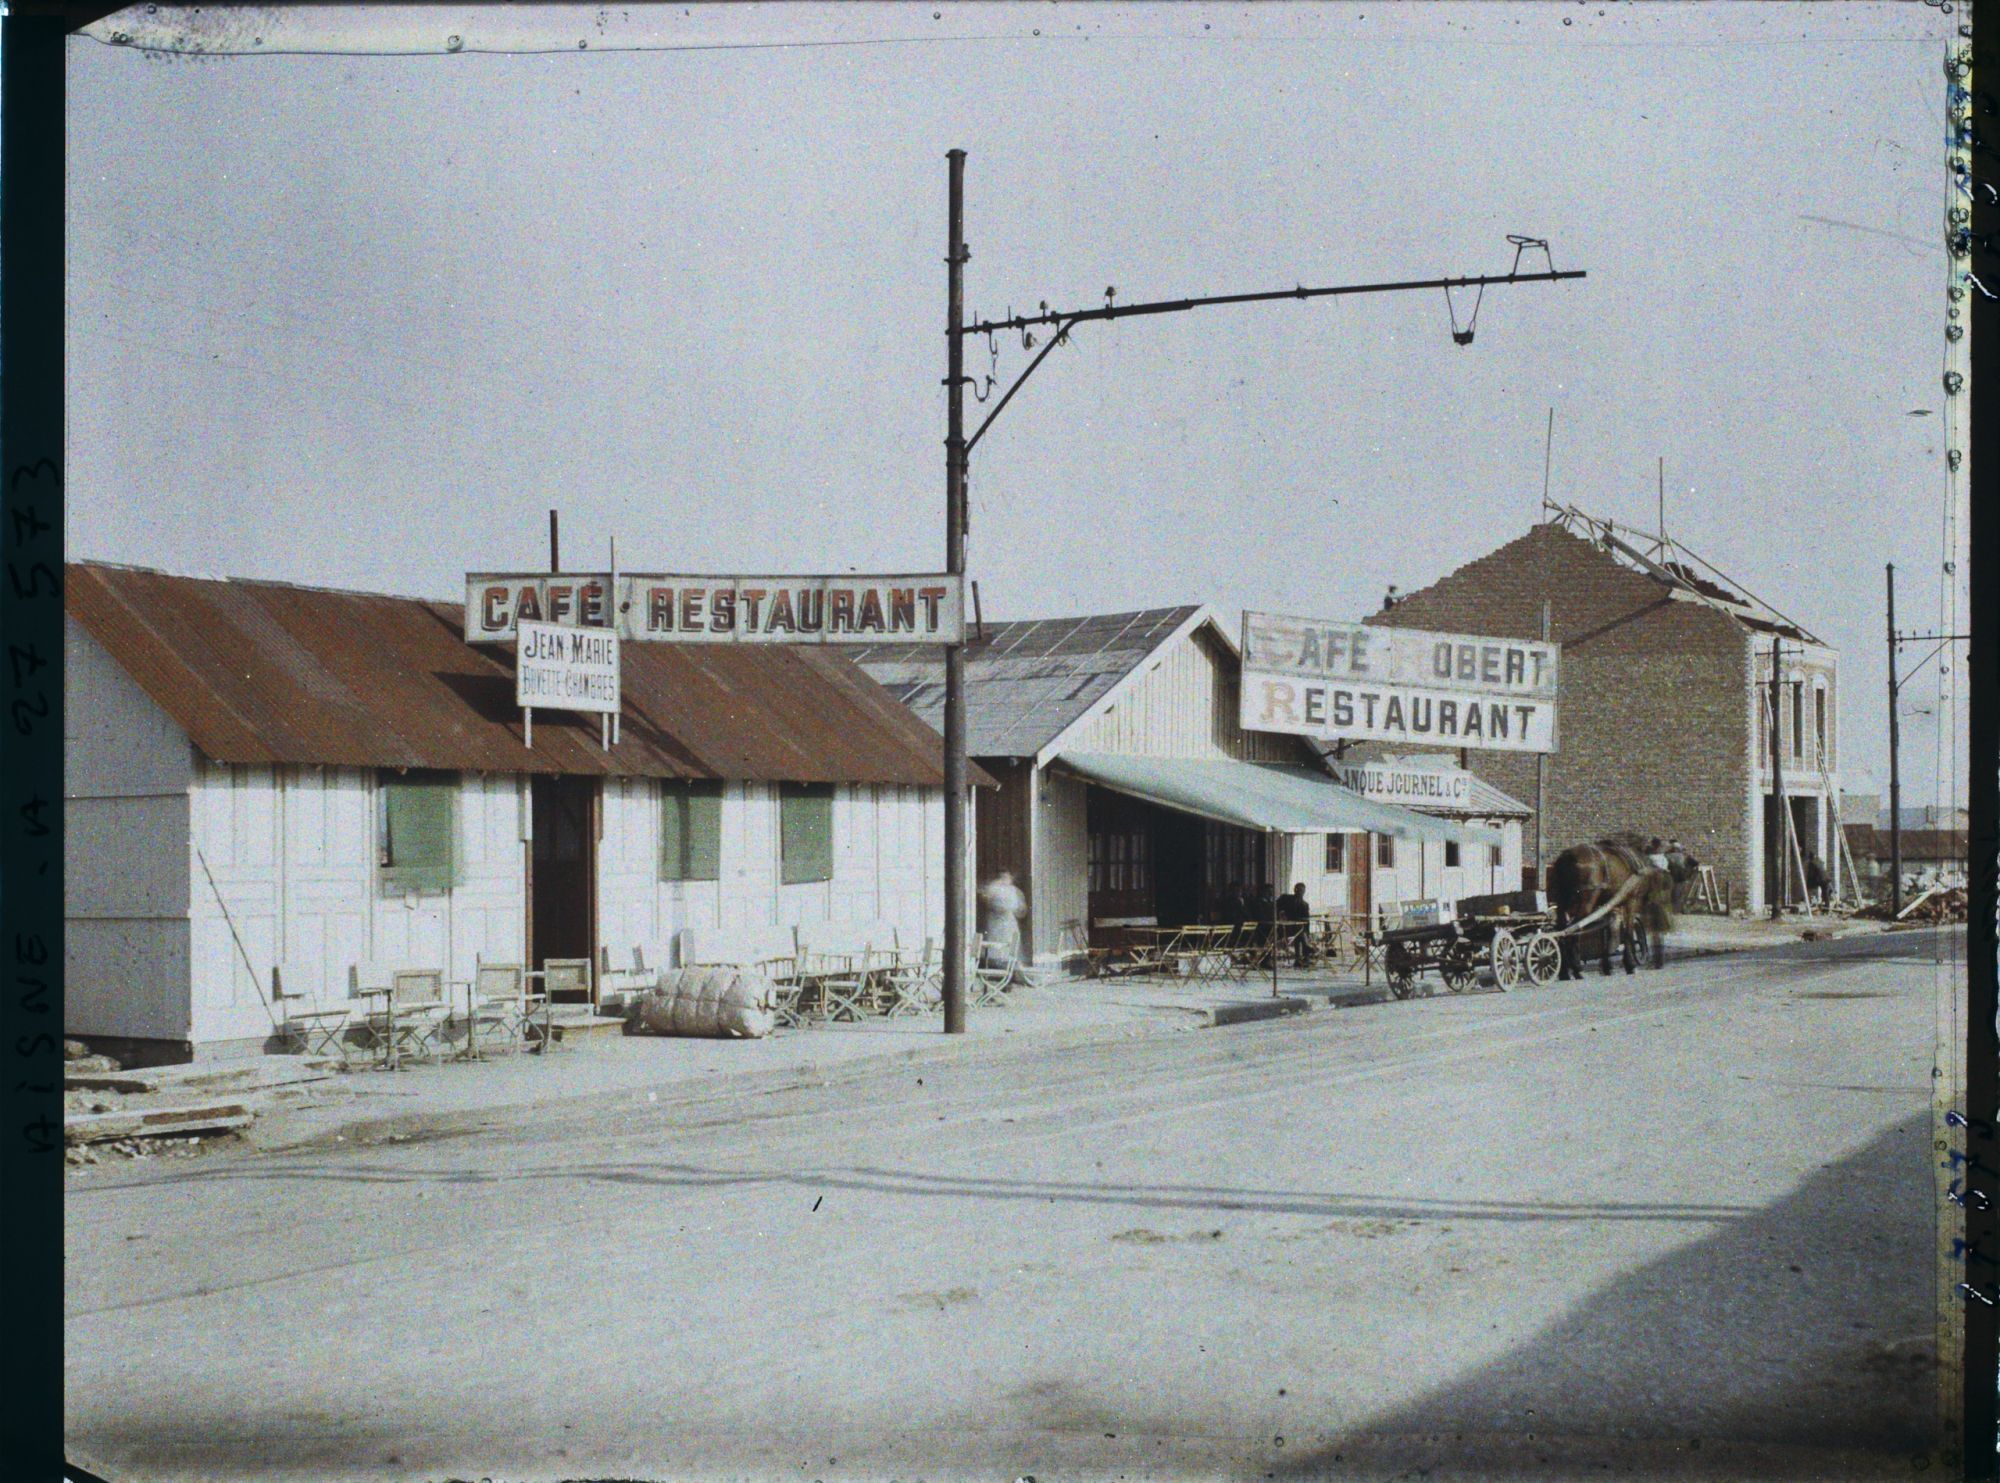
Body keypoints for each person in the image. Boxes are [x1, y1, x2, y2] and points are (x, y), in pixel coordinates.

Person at [979, 871, 1027, 970]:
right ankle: (996, 970)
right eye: (1003, 877)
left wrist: (1016, 910)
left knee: (1010, 946)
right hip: (995, 923)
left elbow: (1021, 909)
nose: (1006, 879)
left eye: (1008, 877)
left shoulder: (1014, 891)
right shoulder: (993, 888)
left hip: (1009, 922)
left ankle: (1010, 973)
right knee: (995, 948)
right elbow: (988, 901)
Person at [1277, 881, 1313, 965]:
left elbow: (1306, 920)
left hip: (1298, 929)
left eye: (1302, 891)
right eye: (1298, 890)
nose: (1300, 893)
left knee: (1301, 932)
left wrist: (1308, 932)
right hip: (1286, 928)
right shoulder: (1286, 899)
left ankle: (1300, 959)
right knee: (1301, 932)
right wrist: (1281, 916)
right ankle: (1305, 953)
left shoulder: (1305, 905)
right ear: (1294, 890)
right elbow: (1276, 907)